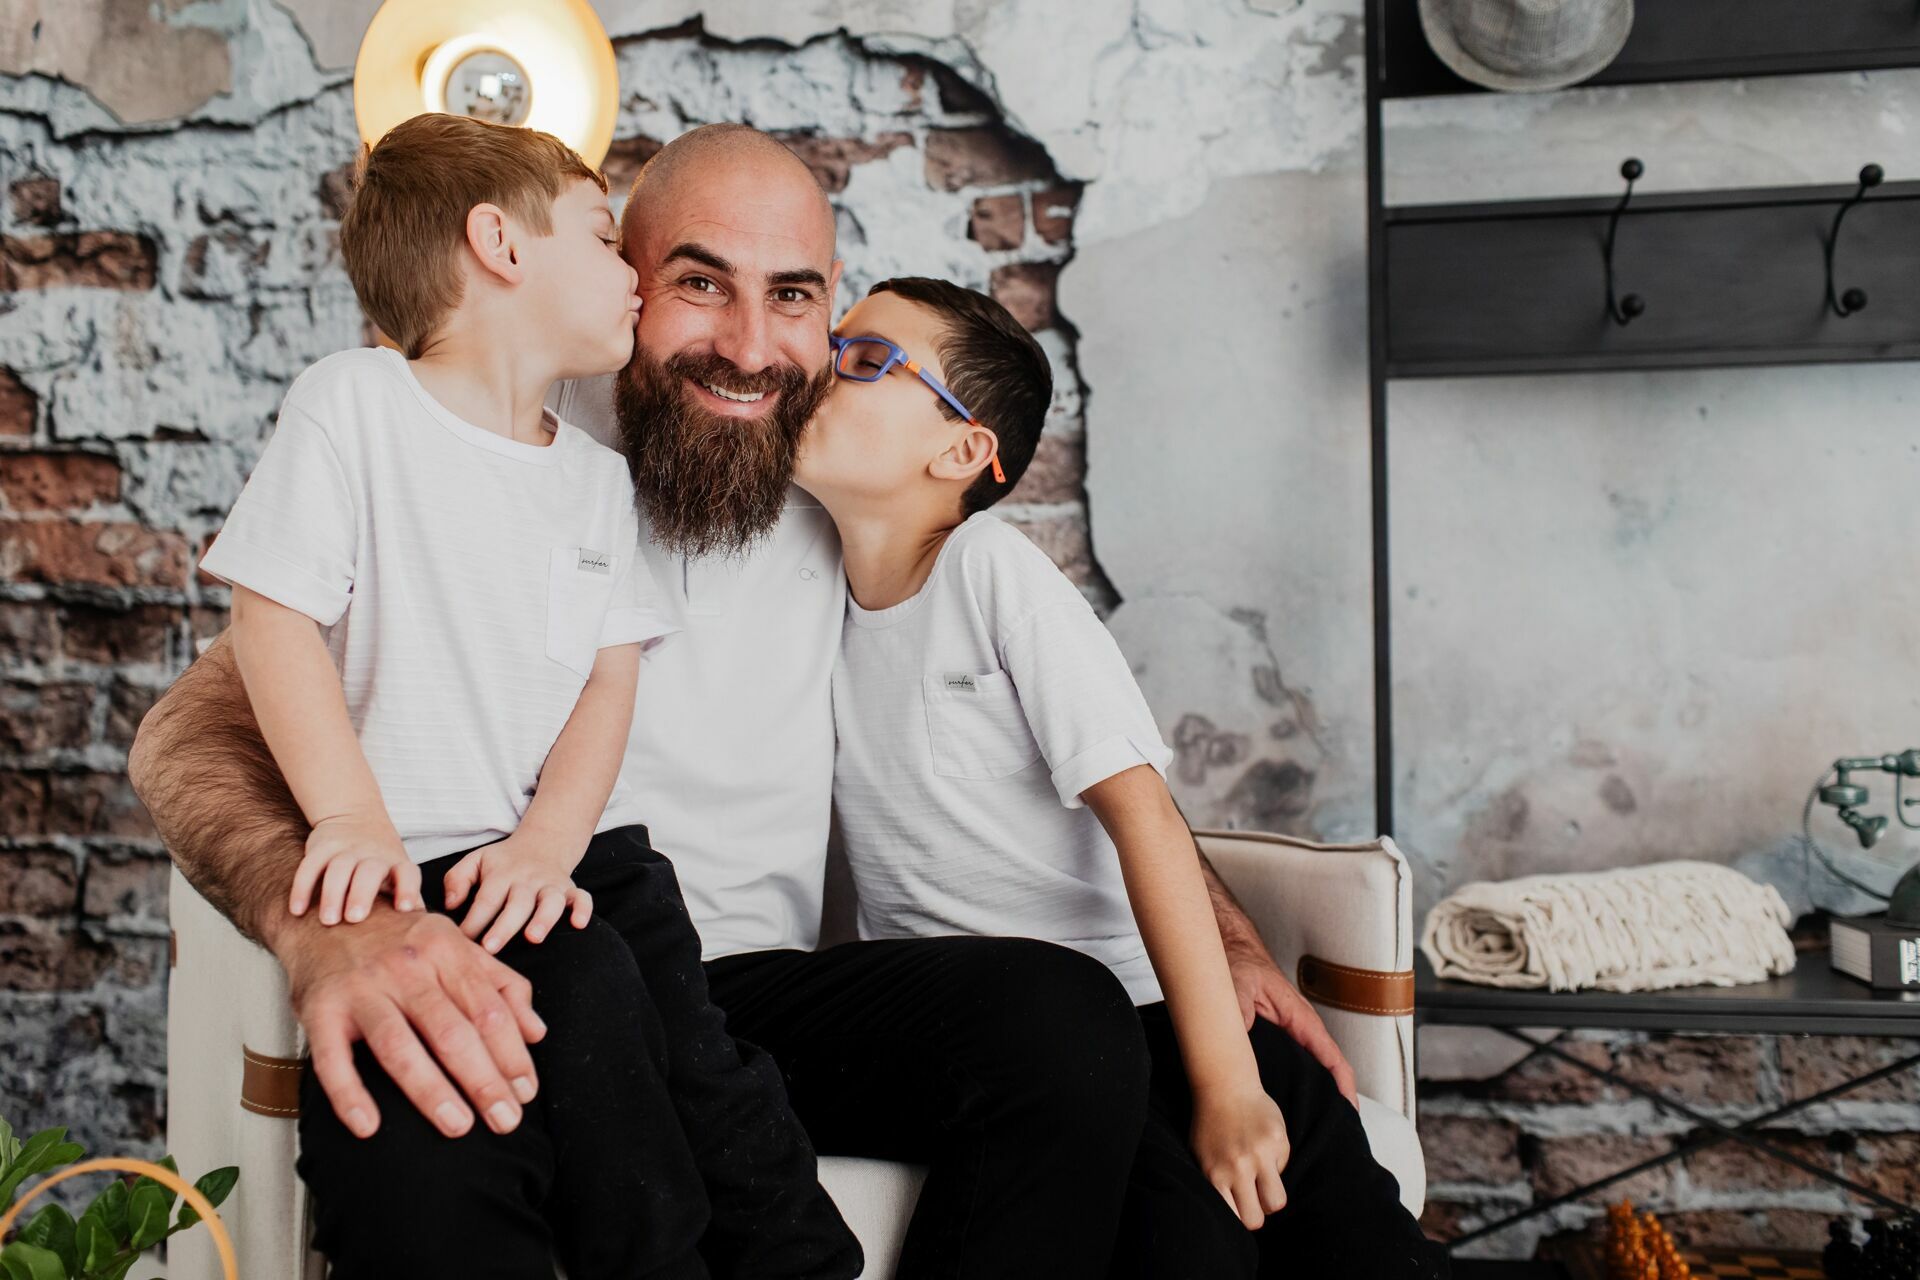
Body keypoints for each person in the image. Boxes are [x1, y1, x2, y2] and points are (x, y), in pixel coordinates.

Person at [131, 123, 1370, 1279]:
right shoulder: (497, 433)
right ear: (621, 274)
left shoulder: (847, 477)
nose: (749, 343)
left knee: (1065, 1023)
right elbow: (190, 729)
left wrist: (1230, 932)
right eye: (699, 281)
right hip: (527, 936)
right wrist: (328, 929)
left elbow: (1079, 748)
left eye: (793, 296)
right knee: (432, 1122)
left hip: (761, 992)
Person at [190, 111, 858, 1280]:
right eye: (611, 244)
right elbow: (271, 616)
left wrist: (553, 842)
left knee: (676, 1053)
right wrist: (348, 819)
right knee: (524, 1089)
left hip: (566, 861)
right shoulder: (356, 404)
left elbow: (611, 675)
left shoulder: (595, 481)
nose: (634, 289)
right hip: (415, 874)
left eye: (795, 296)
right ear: (500, 244)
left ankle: (777, 1255)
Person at [792, 276, 1449, 1278]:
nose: (825, 367)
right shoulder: (813, 604)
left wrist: (1228, 1081)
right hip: (1034, 1058)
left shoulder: (989, 572)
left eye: (869, 359)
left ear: (963, 451)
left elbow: (1141, 813)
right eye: (836, 344)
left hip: (1171, 1021)